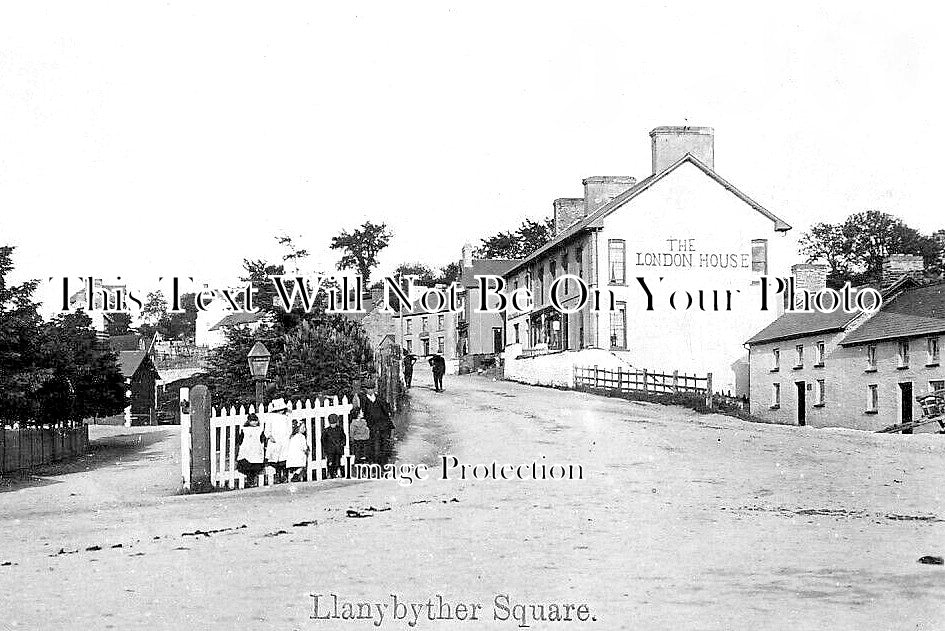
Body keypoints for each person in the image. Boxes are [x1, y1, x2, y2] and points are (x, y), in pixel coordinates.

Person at [361, 382, 394, 464]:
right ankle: (374, 463)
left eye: (371, 389)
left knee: (384, 445)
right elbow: (363, 413)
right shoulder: (364, 400)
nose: (370, 391)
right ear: (366, 390)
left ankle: (383, 464)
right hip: (371, 426)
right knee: (374, 446)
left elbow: (386, 409)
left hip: (382, 425)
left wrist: (388, 413)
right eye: (368, 389)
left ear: (374, 389)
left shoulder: (379, 398)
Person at [264, 398, 292, 483]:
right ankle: (277, 475)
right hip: (275, 440)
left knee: (284, 458)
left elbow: (289, 428)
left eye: (282, 409)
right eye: (279, 409)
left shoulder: (286, 418)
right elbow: (267, 428)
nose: (281, 411)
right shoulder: (271, 417)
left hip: (284, 439)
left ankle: (284, 475)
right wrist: (269, 436)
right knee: (275, 458)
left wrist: (289, 435)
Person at [236, 413, 266, 487]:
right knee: (247, 463)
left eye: (255, 421)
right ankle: (250, 479)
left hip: (256, 448)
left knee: (256, 463)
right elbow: (240, 439)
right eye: (252, 421)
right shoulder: (244, 429)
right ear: (248, 421)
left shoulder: (259, 429)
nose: (254, 422)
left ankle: (253, 479)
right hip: (247, 448)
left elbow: (262, 439)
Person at [321, 413, 347, 479]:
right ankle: (330, 472)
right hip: (330, 450)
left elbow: (343, 437)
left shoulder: (340, 429)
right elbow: (323, 440)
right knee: (330, 462)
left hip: (338, 449)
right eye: (332, 423)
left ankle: (336, 472)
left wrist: (342, 444)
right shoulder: (326, 430)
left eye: (334, 423)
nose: (333, 424)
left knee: (337, 462)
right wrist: (326, 448)